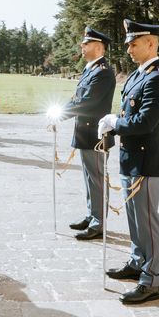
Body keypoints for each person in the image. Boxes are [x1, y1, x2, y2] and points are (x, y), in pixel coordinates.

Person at [98, 18, 159, 304]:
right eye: (128, 43)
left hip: (146, 159)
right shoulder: (136, 75)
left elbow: (144, 122)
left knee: (147, 221)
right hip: (131, 158)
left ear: (151, 43)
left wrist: (114, 122)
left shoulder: (158, 78)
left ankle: (151, 278)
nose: (128, 47)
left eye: (134, 43)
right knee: (134, 218)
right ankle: (137, 261)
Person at [58, 27, 116, 240]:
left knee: (98, 179)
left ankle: (99, 223)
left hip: (96, 135)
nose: (82, 46)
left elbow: (87, 102)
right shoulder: (90, 69)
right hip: (85, 133)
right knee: (89, 178)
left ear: (99, 47)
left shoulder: (103, 72)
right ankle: (92, 215)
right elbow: (76, 99)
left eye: (86, 43)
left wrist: (60, 115)